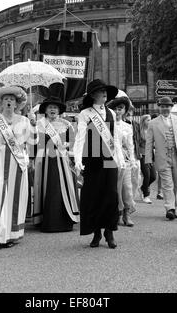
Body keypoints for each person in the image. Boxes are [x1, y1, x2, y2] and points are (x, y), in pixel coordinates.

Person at [0, 86, 38, 251]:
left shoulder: (25, 120)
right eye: (6, 99)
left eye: (12, 99)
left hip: (17, 164)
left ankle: (8, 234)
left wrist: (33, 125)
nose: (9, 101)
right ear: (0, 103)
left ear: (17, 103)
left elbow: (32, 142)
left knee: (14, 198)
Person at [73, 79, 125, 249]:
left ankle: (109, 232)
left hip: (110, 159)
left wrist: (120, 159)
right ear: (93, 95)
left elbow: (115, 138)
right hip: (92, 158)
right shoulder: (85, 114)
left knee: (110, 195)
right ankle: (96, 233)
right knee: (94, 195)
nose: (104, 94)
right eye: (100, 91)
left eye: (105, 91)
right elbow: (80, 137)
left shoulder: (112, 112)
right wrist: (78, 159)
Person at [33, 96, 79, 232]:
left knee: (63, 187)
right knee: (49, 186)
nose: (52, 109)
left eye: (55, 107)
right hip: (46, 160)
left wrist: (66, 145)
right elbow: (34, 143)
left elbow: (73, 142)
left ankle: (65, 219)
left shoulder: (66, 124)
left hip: (63, 160)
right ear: (45, 110)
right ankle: (46, 220)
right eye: (50, 107)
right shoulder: (39, 124)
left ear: (59, 110)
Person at [145, 97, 177, 220]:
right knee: (167, 184)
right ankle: (169, 208)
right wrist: (148, 159)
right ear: (159, 107)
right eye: (163, 106)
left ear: (171, 107)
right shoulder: (153, 123)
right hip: (162, 156)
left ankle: (173, 207)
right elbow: (149, 142)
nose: (165, 108)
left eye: (167, 106)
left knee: (175, 184)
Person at [107, 93, 138, 227]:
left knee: (127, 187)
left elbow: (130, 145)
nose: (118, 111)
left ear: (125, 110)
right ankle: (117, 213)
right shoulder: (107, 125)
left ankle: (127, 212)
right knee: (115, 188)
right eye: (115, 108)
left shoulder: (127, 126)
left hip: (124, 161)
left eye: (120, 108)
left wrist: (132, 160)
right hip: (110, 160)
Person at [139, 114, 157, 204]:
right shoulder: (139, 131)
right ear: (143, 121)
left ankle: (143, 188)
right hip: (143, 155)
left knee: (153, 176)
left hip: (150, 155)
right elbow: (136, 143)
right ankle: (146, 195)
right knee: (147, 175)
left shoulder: (152, 131)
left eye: (150, 119)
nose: (150, 121)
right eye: (148, 120)